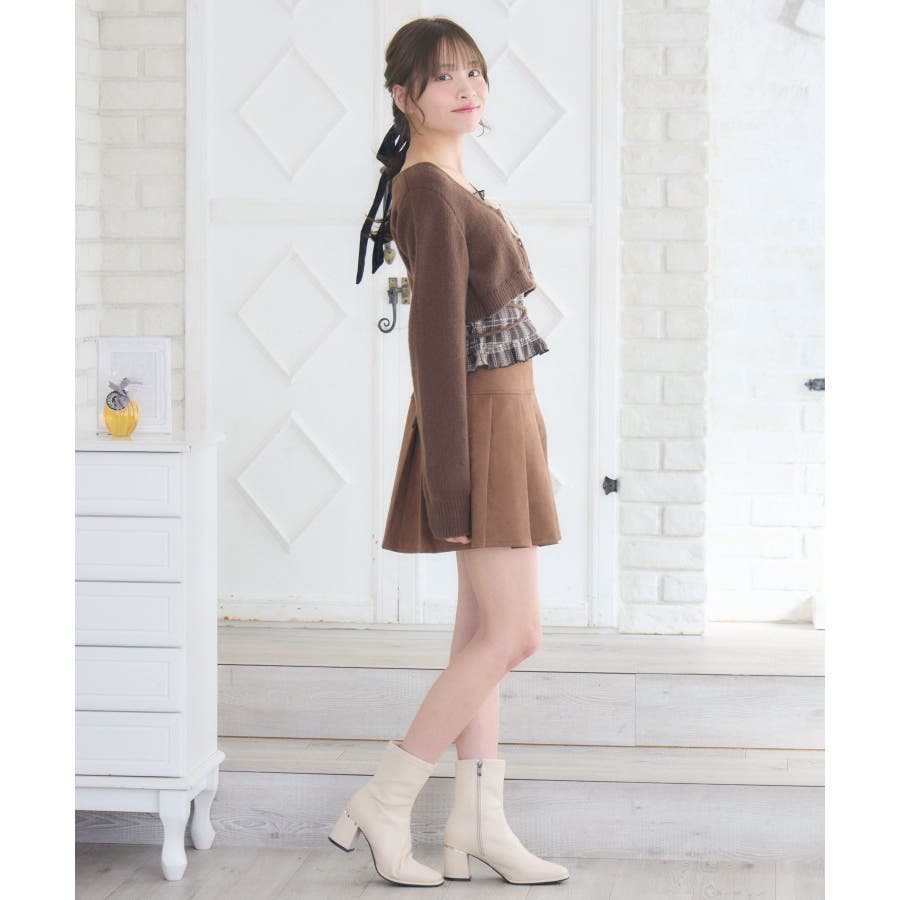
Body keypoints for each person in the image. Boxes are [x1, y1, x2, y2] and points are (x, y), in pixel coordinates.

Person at [333, 16, 567, 888]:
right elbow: (433, 342)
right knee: (515, 633)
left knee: (480, 631)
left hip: (504, 412)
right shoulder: (427, 189)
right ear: (404, 95)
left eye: (474, 71)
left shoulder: (449, 176)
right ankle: (385, 799)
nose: (467, 87)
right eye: (443, 77)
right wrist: (451, 483)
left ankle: (478, 824)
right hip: (477, 418)